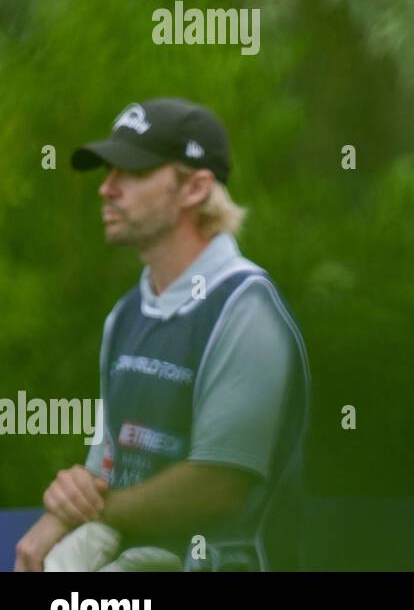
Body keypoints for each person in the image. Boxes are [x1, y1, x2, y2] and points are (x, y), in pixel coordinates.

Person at [13, 98, 310, 572]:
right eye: (107, 173)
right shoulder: (127, 314)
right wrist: (73, 493)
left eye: (130, 172)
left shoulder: (246, 309)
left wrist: (87, 512)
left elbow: (216, 487)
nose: (106, 190)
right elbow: (104, 468)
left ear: (195, 188)